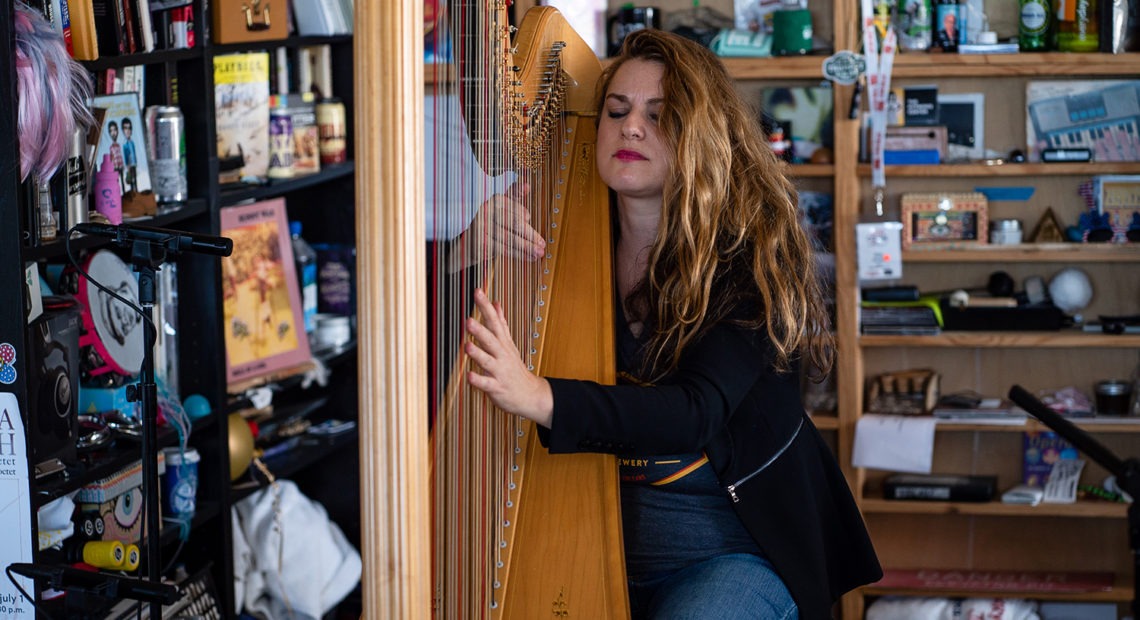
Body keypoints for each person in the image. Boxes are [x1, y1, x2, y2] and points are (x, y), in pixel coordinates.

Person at [463, 29, 881, 619]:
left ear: (701, 138)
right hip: (592, 539)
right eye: (617, 110)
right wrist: (465, 248)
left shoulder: (752, 257)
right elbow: (449, 334)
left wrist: (540, 396)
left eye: (658, 116)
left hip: (730, 551)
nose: (631, 127)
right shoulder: (561, 234)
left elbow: (694, 413)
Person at [121, 117, 138, 194]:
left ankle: (136, 191)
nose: (128, 131)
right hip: (129, 165)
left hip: (134, 164)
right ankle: (132, 192)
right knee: (130, 179)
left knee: (135, 179)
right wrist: (127, 166)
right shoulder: (125, 145)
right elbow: (126, 156)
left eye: (129, 128)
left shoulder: (132, 142)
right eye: (125, 128)